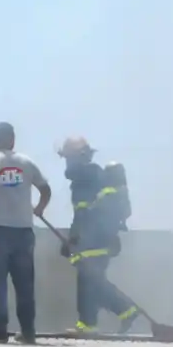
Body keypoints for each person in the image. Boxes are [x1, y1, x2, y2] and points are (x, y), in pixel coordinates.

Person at [0, 122, 52, 344]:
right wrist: (40, 208)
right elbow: (45, 189)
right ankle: (28, 332)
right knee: (25, 283)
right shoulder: (27, 163)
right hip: (24, 231)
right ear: (12, 138)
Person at [55, 135, 140, 335]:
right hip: (97, 238)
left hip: (94, 240)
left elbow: (86, 213)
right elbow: (85, 212)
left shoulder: (87, 176)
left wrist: (74, 238)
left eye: (69, 157)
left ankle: (103, 319)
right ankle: (119, 314)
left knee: (90, 283)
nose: (67, 163)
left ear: (80, 157)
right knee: (92, 282)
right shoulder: (90, 176)